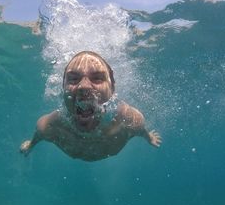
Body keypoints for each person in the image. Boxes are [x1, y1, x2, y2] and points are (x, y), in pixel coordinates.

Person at [20, 51, 161, 161]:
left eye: (97, 78)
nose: (84, 86)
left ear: (112, 88)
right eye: (74, 79)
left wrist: (149, 137)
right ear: (62, 87)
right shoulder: (48, 125)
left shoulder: (130, 119)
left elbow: (141, 129)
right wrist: (31, 144)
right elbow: (39, 135)